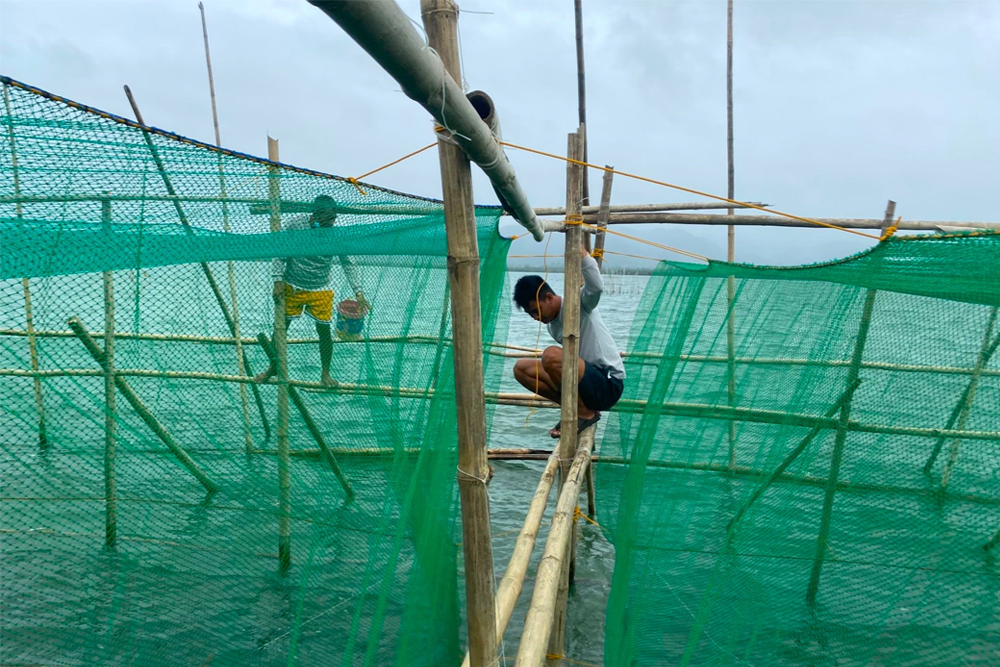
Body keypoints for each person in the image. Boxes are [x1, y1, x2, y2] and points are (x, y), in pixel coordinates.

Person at [255, 195, 368, 387]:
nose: (331, 221)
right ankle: (272, 368)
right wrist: (277, 280)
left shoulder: (336, 234)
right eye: (327, 217)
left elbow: (348, 263)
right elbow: (280, 252)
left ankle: (325, 374)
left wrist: (358, 292)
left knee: (324, 331)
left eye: (334, 218)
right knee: (281, 328)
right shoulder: (296, 226)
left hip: (321, 288)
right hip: (292, 285)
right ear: (315, 214)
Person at [512, 247, 625, 438]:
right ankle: (574, 409)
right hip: (585, 382)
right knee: (521, 369)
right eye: (530, 314)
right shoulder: (552, 326)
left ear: (548, 297)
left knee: (551, 355)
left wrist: (580, 252)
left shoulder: (579, 303)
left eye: (535, 310)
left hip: (607, 383)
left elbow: (596, 287)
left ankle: (583, 413)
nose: (534, 317)